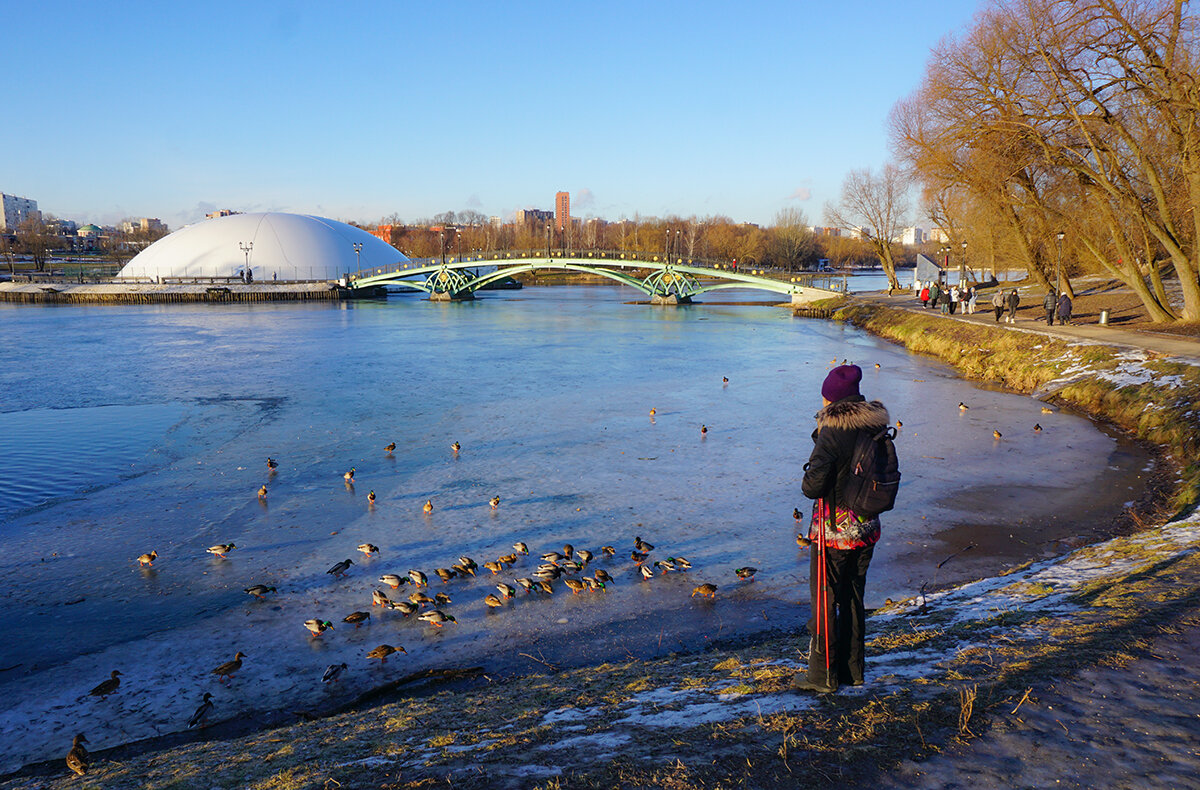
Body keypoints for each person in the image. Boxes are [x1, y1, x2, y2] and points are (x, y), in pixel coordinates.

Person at [795, 364, 891, 693]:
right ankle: (853, 670)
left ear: (830, 399)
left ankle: (822, 676)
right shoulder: (876, 426)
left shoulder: (832, 431)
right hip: (867, 528)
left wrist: (816, 455)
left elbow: (812, 487)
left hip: (833, 533)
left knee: (824, 601)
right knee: (852, 597)